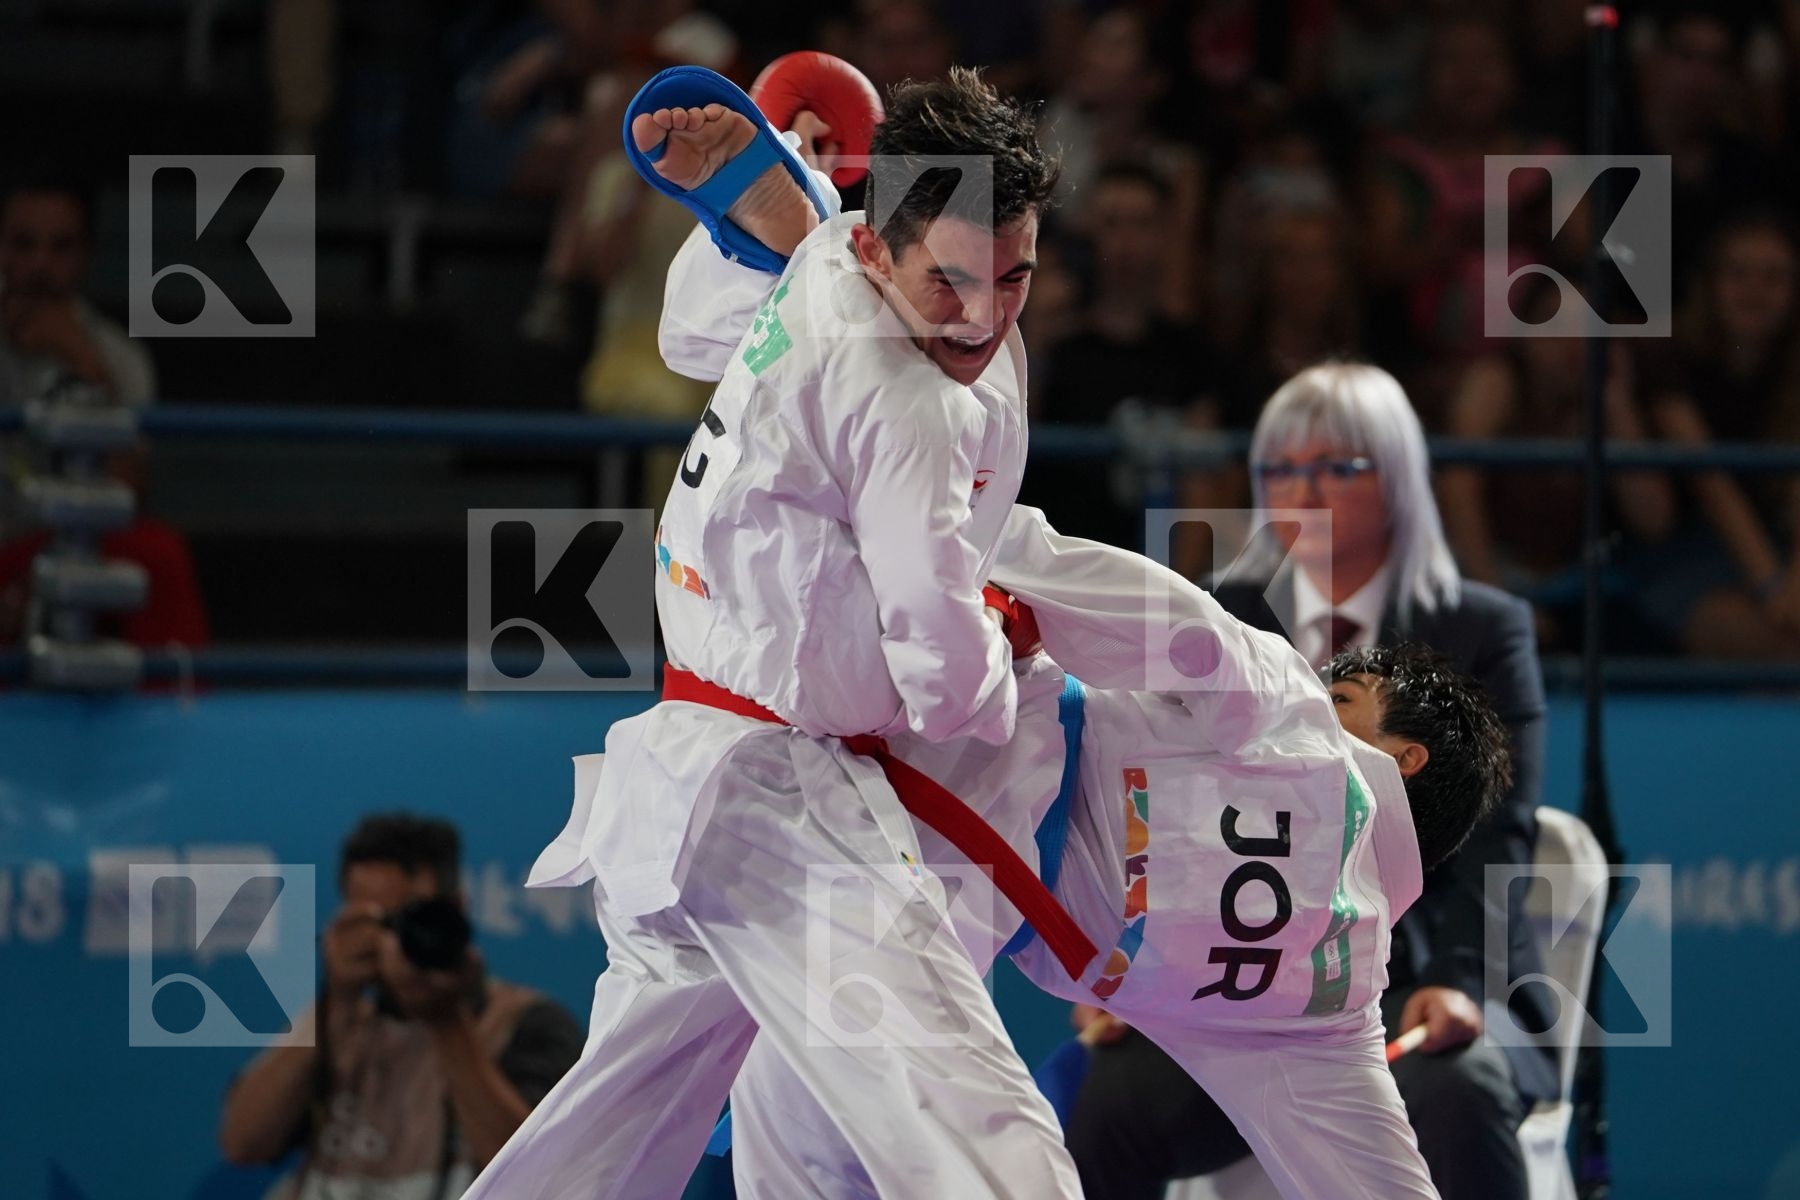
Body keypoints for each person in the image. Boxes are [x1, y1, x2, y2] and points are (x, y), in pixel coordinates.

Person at [460, 68, 1088, 1199]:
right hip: (776, 803)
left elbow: (695, 331)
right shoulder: (913, 404)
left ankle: (771, 188)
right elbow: (946, 687)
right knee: (975, 1126)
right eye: (948, 281)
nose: (983, 316)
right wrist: (1007, 659)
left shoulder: (825, 270)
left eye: (1015, 278)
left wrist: (782, 200)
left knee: (608, 1151)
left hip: (678, 790)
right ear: (880, 251)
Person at [722, 501, 1515, 1198]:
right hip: (941, 887)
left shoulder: (1297, 723)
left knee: (789, 1114)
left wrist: (974, 540)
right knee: (815, 1119)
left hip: (931, 790)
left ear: (1407, 757)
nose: (1320, 685)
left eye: (1345, 694)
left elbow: (1175, 626)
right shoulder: (1329, 1008)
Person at [1063, 362, 1555, 1200]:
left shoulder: (1479, 628)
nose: (1306, 489)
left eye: (1338, 466)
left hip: (1420, 975)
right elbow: (1162, 812)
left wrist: (1459, 984)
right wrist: (1130, 973)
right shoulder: (1221, 614)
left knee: (1460, 1087)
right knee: (1112, 1099)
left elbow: (1500, 839)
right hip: (1238, 981)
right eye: (1282, 469)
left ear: (1397, 476)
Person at [218, 813, 584, 1199]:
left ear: (456, 909)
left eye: (413, 918)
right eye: (375, 921)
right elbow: (243, 1144)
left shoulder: (525, 1022)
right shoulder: (336, 1022)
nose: (393, 941)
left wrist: (446, 1021)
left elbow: (542, 1175)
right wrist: (336, 1001)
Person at [1634, 212, 1800, 657]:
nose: (1755, 290)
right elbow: (1710, 481)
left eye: (1774, 277)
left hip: (1780, 548)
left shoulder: (1791, 367)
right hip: (1680, 555)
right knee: (1783, 644)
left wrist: (1796, 582)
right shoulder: (1668, 355)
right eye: (1739, 273)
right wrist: (1773, 588)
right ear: (1709, 285)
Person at [0, 173, 156, 409]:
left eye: (61, 246)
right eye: (23, 243)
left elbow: (133, 446)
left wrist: (81, 356)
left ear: (86, 253)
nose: (40, 264)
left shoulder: (120, 356)